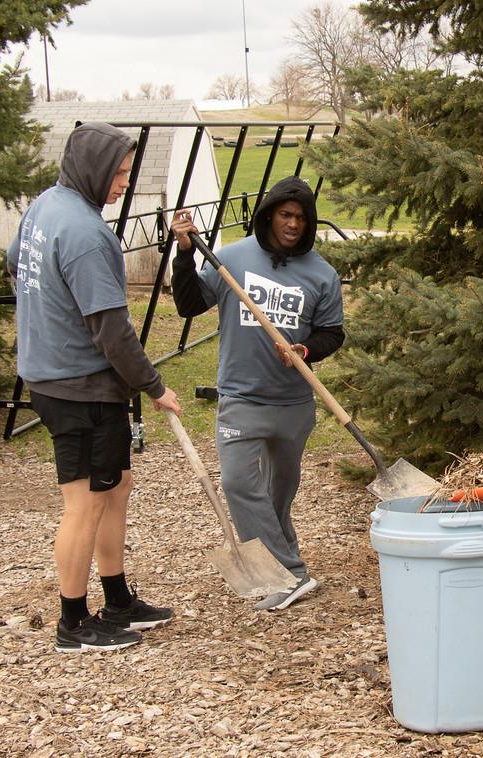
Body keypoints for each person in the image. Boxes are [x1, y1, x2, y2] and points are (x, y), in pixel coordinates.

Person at [6, 122, 182, 653]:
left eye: (128, 172)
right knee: (85, 503)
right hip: (77, 387)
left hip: (61, 376)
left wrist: (46, 317)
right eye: (120, 173)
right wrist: (153, 387)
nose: (125, 183)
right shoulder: (85, 235)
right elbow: (111, 329)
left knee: (115, 489)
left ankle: (118, 598)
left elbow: (16, 264)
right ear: (94, 169)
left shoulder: (46, 205)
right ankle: (74, 623)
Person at [170, 176, 344, 611]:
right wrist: (185, 254)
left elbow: (332, 333)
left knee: (278, 493)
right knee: (238, 483)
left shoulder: (321, 274)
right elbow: (189, 304)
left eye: (301, 218)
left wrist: (305, 349)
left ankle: (283, 559)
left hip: (292, 403)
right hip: (241, 397)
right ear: (269, 215)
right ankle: (288, 576)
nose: (293, 225)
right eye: (286, 215)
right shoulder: (231, 258)